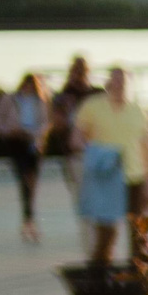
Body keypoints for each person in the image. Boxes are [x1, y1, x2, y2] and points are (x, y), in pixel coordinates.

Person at [70, 66, 148, 266]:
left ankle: (138, 278)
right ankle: (100, 275)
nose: (119, 85)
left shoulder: (139, 111)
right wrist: (98, 154)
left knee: (138, 233)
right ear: (108, 83)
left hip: (135, 176)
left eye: (123, 82)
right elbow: (76, 139)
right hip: (106, 178)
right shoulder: (92, 106)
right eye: (115, 81)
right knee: (106, 233)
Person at [0, 71, 52, 244]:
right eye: (27, 83)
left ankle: (28, 220)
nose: (29, 87)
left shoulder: (41, 100)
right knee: (24, 179)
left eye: (33, 85)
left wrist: (33, 134)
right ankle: (29, 221)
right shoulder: (10, 99)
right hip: (16, 142)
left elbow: (46, 124)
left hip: (33, 144)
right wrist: (8, 131)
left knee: (31, 181)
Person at [47, 57, 96, 221]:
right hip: (72, 153)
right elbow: (56, 124)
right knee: (80, 194)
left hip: (96, 151)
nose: (79, 75)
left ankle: (93, 226)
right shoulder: (62, 97)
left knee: (95, 192)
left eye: (82, 71)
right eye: (76, 70)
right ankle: (88, 226)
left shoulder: (96, 94)